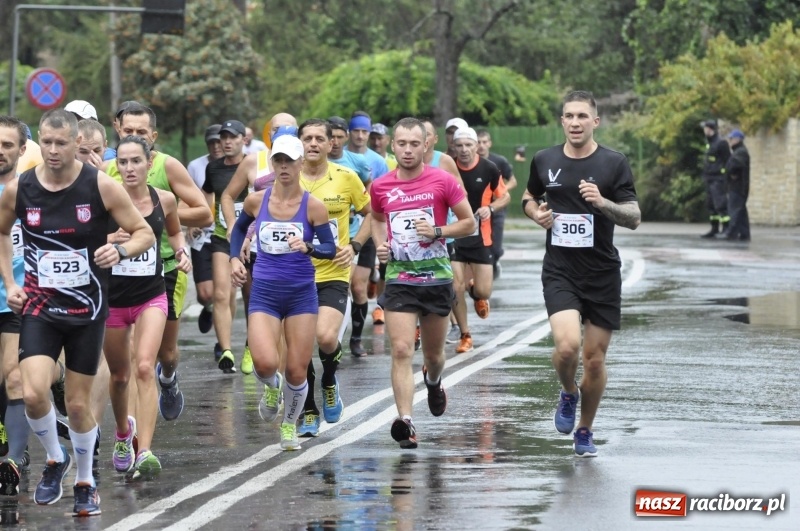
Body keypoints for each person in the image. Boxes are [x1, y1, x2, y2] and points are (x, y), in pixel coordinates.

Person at [0, 109, 155, 516]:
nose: (53, 150)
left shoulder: (100, 186)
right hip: (39, 307)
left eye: (61, 143)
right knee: (32, 392)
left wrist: (119, 250)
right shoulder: (21, 189)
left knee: (79, 405)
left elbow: (144, 233)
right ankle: (56, 457)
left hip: (87, 311)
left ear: (75, 144)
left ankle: (85, 479)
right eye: (47, 143)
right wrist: (11, 284)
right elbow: (1, 231)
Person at [521, 90, 641, 457]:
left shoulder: (613, 163)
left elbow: (634, 217)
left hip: (602, 273)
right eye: (569, 116)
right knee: (567, 346)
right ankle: (568, 392)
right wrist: (534, 214)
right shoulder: (545, 160)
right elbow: (528, 197)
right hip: (560, 271)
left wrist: (602, 202)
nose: (575, 123)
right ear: (562, 121)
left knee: (594, 359)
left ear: (595, 121)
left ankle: (585, 431)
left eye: (582, 117)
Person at [370, 117, 476, 449]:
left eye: (415, 144)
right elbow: (375, 217)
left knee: (433, 356)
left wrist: (438, 231)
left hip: (436, 279)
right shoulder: (381, 186)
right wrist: (380, 246)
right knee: (401, 349)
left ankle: (434, 381)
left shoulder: (443, 181)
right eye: (401, 143)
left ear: (426, 145)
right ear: (392, 145)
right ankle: (405, 420)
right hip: (399, 279)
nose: (408, 150)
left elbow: (469, 222)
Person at [103, 103, 213, 422]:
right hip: (120, 273)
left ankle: (168, 379)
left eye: (141, 132)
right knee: (140, 360)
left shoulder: (167, 166)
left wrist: (158, 217)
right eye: (128, 131)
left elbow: (204, 213)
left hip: (164, 268)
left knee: (166, 354)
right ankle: (138, 437)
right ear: (117, 129)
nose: (135, 136)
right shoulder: (109, 171)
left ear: (153, 136)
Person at [229, 135, 337, 450]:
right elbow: (238, 229)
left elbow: (330, 248)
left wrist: (309, 247)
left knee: (296, 368)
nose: (284, 167)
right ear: (272, 163)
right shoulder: (256, 201)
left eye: (290, 161)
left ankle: (289, 425)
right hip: (264, 290)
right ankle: (272, 388)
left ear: (302, 163)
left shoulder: (313, 206)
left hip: (301, 294)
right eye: (279, 160)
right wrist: (236, 257)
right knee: (264, 363)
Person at [104, 136, 190, 479]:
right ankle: (124, 433)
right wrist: (110, 240)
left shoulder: (164, 199)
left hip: (151, 295)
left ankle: (146, 451)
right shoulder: (105, 198)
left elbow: (174, 233)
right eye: (122, 162)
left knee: (143, 367)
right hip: (113, 300)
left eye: (135, 161)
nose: (128, 168)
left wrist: (181, 253)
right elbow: (83, 238)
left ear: (148, 163)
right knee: (120, 375)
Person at [0, 116, 68, 496]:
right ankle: (55, 374)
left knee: (14, 377)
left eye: (8, 144)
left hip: (21, 297)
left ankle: (14, 457)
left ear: (23, 149)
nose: (0, 151)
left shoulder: (33, 190)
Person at [292, 119, 371, 437]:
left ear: (330, 144)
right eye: (307, 138)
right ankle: (309, 409)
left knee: (325, 338)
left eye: (318, 139)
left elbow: (371, 214)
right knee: (299, 348)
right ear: (299, 144)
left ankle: (329, 380)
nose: (313, 143)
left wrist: (354, 245)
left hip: (333, 271)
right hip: (294, 273)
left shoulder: (346, 177)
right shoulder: (286, 178)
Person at [221, 114, 298, 374]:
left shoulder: (303, 162)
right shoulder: (254, 161)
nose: (283, 132)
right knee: (255, 299)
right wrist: (235, 228)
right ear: (269, 133)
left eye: (290, 128)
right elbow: (228, 196)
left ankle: (277, 367)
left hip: (293, 249)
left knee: (287, 311)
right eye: (277, 129)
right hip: (256, 245)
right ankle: (252, 346)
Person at [451, 127, 510, 354]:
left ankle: (477, 293)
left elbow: (504, 196)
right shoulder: (449, 168)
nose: (464, 150)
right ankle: (465, 335)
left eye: (469, 145)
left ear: (477, 146)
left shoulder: (489, 168)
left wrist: (490, 208)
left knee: (484, 291)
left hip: (481, 237)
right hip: (455, 236)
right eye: (460, 145)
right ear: (454, 147)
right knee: (455, 287)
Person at [202, 120, 247, 373]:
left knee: (252, 297)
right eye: (223, 138)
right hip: (222, 237)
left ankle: (253, 346)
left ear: (244, 140)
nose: (227, 142)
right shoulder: (214, 168)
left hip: (252, 240)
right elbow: (207, 193)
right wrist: (204, 215)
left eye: (233, 137)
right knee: (221, 293)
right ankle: (226, 350)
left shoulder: (253, 166)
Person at [347, 112, 389, 357]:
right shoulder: (339, 157)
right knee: (345, 286)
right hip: (341, 232)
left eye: (366, 132)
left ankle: (355, 339)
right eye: (357, 131)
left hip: (368, 229)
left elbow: (382, 199)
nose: (361, 136)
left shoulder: (377, 162)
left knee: (359, 288)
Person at [186, 124, 223, 335]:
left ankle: (222, 345)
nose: (216, 146)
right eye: (212, 142)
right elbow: (187, 198)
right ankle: (207, 308)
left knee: (223, 293)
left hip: (226, 236)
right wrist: (192, 222)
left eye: (219, 141)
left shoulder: (237, 165)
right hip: (202, 235)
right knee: (205, 293)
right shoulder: (195, 166)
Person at [476, 129, 517, 279]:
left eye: (484, 142)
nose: (481, 145)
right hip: (478, 207)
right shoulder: (469, 161)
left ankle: (494, 260)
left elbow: (513, 181)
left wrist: (500, 189)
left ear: (490, 143)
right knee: (479, 240)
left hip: (498, 206)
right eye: (478, 142)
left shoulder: (499, 161)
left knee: (496, 242)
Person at [699, 119, 731, 238]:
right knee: (711, 205)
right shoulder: (710, 142)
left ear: (710, 129)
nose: (704, 130)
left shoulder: (721, 143)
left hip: (718, 179)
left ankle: (726, 229)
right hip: (709, 178)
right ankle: (714, 228)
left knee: (721, 204)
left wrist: (723, 173)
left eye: (705, 128)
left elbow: (728, 160)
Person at [717, 129, 750, 241]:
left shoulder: (740, 152)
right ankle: (745, 233)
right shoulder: (739, 151)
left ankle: (731, 233)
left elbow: (735, 166)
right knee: (740, 211)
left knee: (734, 210)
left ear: (737, 139)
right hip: (739, 186)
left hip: (737, 186)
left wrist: (731, 174)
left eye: (731, 139)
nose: (729, 141)